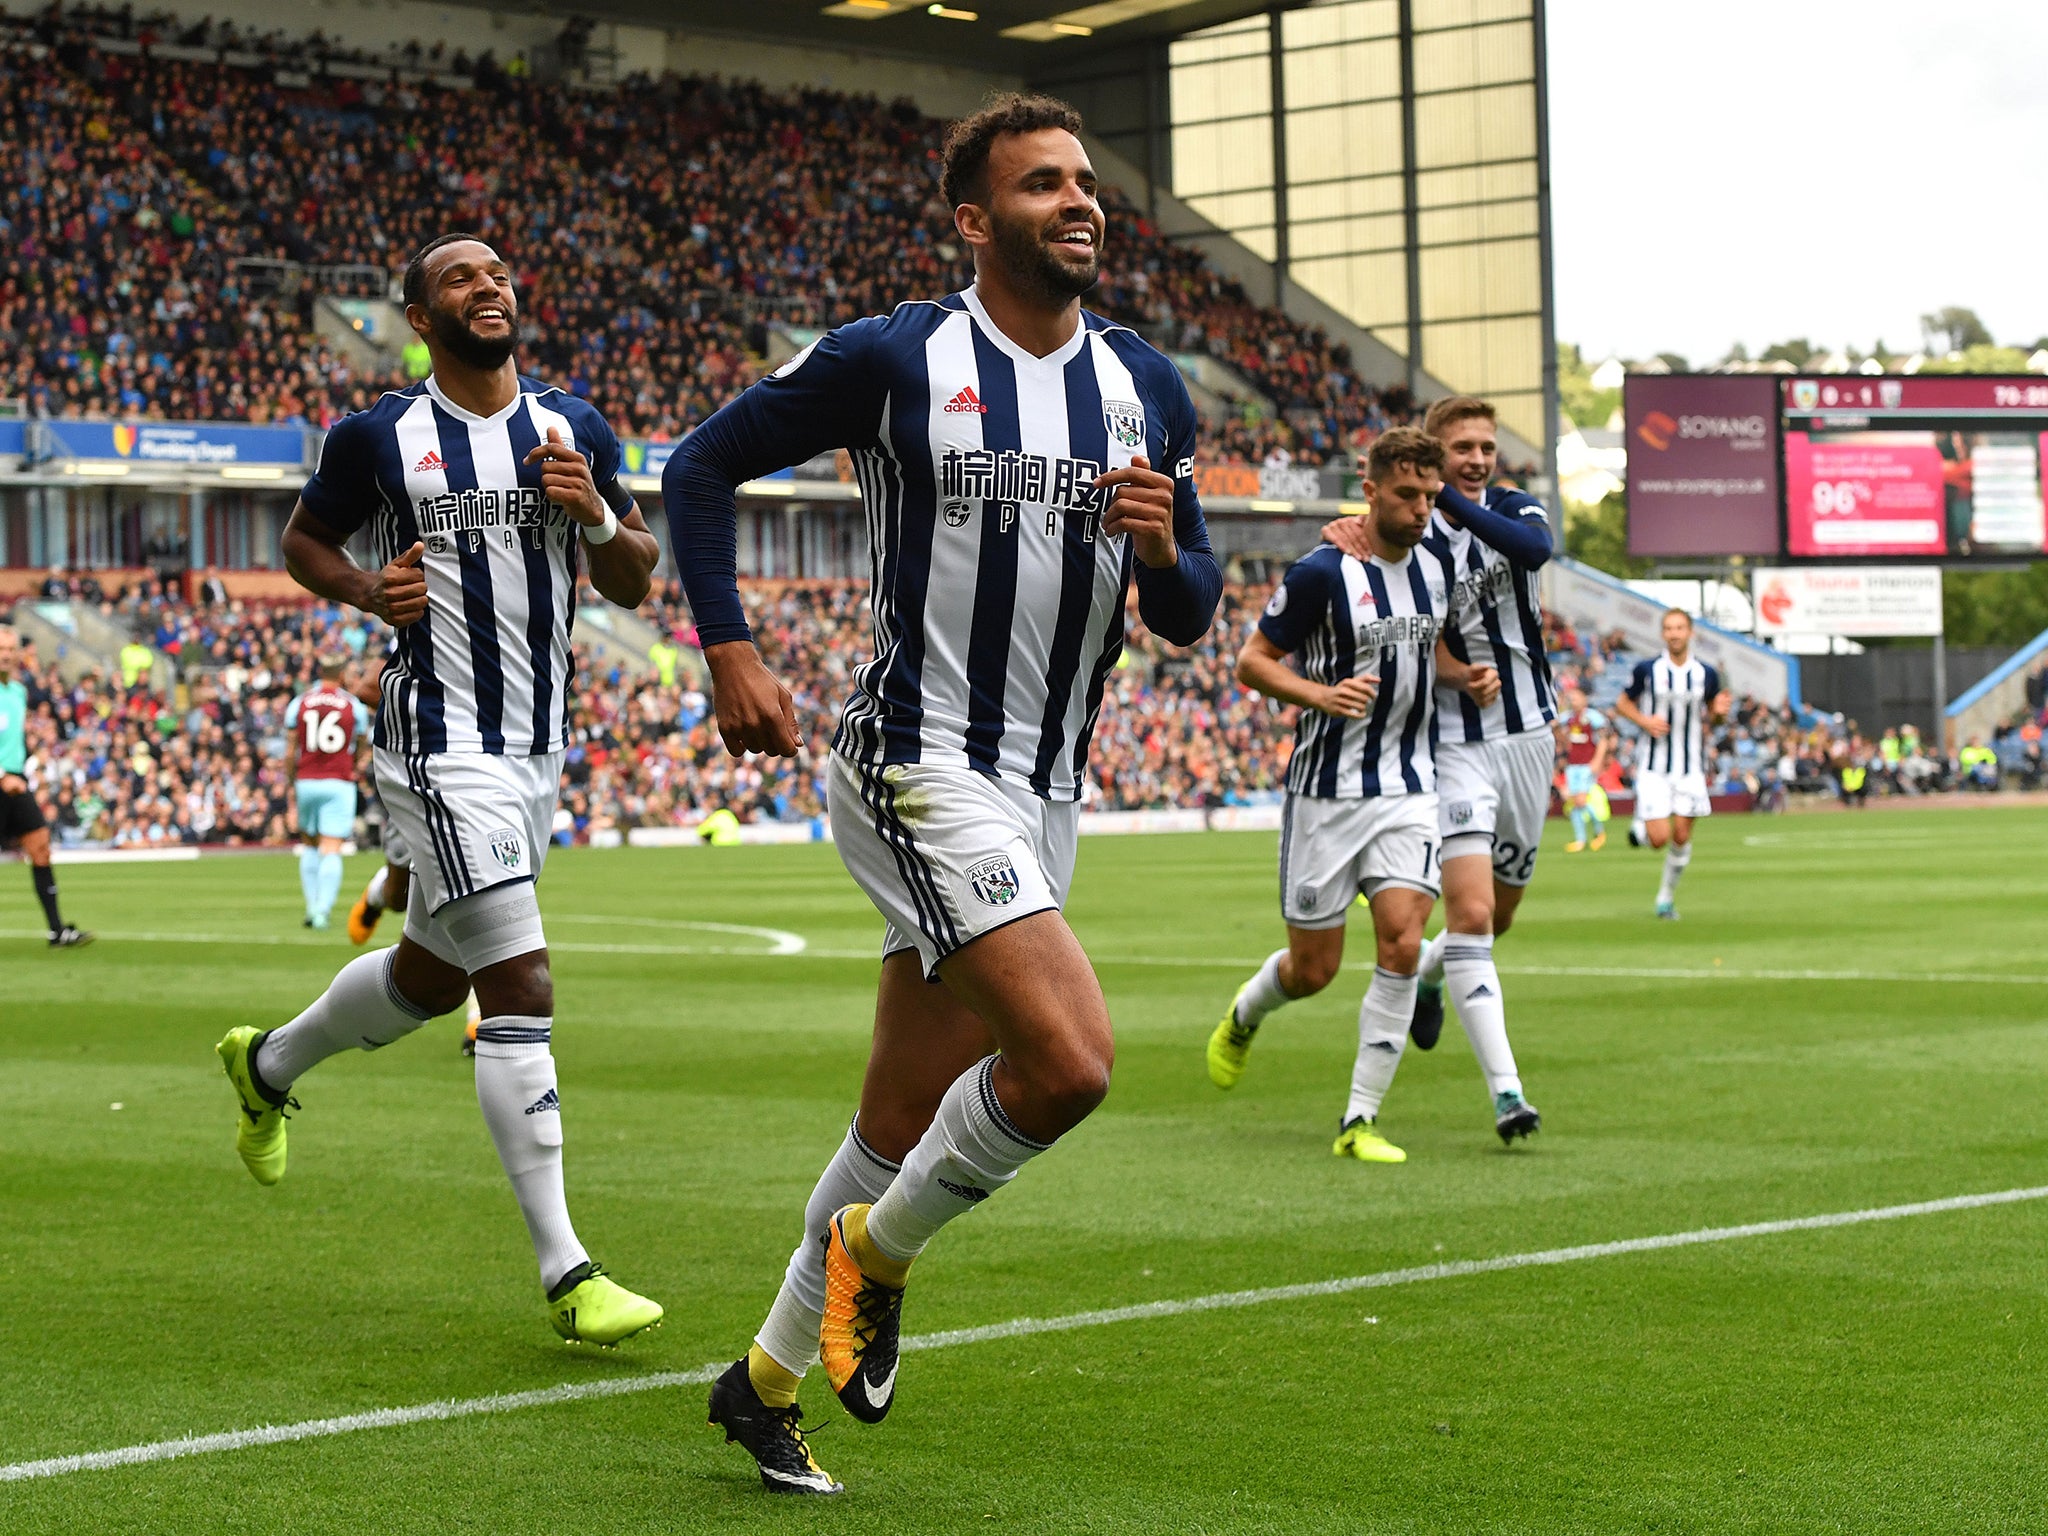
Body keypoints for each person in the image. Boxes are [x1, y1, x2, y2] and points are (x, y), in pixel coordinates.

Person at [664, 95, 1221, 1496]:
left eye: (1085, 181)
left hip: (1045, 788)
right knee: (1071, 1064)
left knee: (898, 1121)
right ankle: (877, 1255)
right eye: (1043, 185)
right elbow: (701, 464)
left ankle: (765, 1381)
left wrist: (1165, 556)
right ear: (978, 221)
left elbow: (1194, 614)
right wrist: (729, 648)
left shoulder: (1147, 383)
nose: (1079, 201)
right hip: (921, 761)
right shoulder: (897, 355)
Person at [212, 233, 665, 1346]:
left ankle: (266, 1065)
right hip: (437, 737)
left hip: (536, 748)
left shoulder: (573, 426)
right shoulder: (379, 437)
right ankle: (570, 1273)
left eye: (500, 273)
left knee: (425, 979)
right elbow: (302, 544)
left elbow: (637, 578)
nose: (489, 287)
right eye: (461, 278)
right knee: (519, 983)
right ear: (421, 317)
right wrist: (370, 588)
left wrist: (599, 516)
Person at [1207, 427, 1494, 1160]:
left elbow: (1430, 646)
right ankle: (1245, 1013)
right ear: (1369, 490)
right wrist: (1318, 694)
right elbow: (1252, 661)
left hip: (1408, 786)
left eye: (1431, 496)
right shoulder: (1321, 573)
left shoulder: (1435, 566)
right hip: (1326, 792)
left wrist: (1464, 676)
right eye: (1407, 495)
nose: (1423, 509)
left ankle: (1358, 1120)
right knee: (1314, 970)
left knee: (1401, 944)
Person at [1319, 395, 1551, 1141]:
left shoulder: (1519, 509)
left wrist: (1454, 496)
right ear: (1433, 451)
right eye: (1462, 448)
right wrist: (1455, 674)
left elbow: (1533, 553)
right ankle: (1508, 1095)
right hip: (1453, 745)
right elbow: (1411, 620)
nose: (1479, 459)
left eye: (1487, 446)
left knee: (1501, 916)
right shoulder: (1417, 544)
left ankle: (1426, 975)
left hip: (1530, 734)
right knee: (1475, 916)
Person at [344, 656, 482, 1050]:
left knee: (477, 902)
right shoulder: (417, 628)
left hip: (477, 780)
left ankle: (481, 1021)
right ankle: (377, 894)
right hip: (416, 778)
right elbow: (368, 688)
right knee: (398, 897)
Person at [1612, 609, 1729, 919]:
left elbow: (1716, 717)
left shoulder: (1707, 674)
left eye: (1680, 628)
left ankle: (1665, 899)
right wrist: (1644, 721)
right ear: (1662, 634)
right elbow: (1622, 703)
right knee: (1659, 839)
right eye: (1669, 628)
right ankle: (1641, 821)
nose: (1674, 633)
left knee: (1680, 837)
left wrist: (1719, 712)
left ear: (1690, 633)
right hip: (1654, 766)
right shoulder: (1647, 670)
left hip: (1691, 767)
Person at [0, 626, 92, 947]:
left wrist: (26, 765)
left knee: (40, 846)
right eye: (1, 649)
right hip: (2, 780)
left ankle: (57, 931)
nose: (6, 655)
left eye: (10, 649)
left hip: (14, 782)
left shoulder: (17, 691)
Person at [283, 654, 370, 929]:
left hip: (306, 780)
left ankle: (311, 907)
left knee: (309, 844)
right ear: (342, 675)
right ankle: (322, 911)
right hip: (338, 782)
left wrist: (291, 781)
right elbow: (362, 742)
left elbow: (289, 750)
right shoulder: (352, 705)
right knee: (331, 848)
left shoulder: (300, 702)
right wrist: (353, 766)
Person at [1557, 685, 1611, 851]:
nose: (1572, 701)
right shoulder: (1567, 718)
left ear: (1584, 700)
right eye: (1570, 698)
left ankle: (1599, 831)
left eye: (1575, 698)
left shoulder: (1594, 718)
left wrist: (1597, 761)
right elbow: (1555, 729)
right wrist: (1563, 744)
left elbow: (1603, 740)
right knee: (1574, 802)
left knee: (1580, 800)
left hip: (1587, 764)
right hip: (1573, 765)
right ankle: (1580, 839)